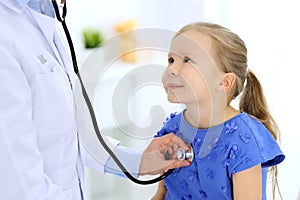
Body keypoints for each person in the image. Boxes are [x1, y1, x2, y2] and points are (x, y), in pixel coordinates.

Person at [0, 0, 191, 199]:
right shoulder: (5, 33)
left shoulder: (47, 17)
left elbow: (73, 136)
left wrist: (140, 161)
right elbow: (21, 188)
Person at [152, 22, 285, 200]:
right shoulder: (172, 129)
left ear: (224, 82)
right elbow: (161, 194)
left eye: (187, 60)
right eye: (171, 60)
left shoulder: (243, 139)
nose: (172, 69)